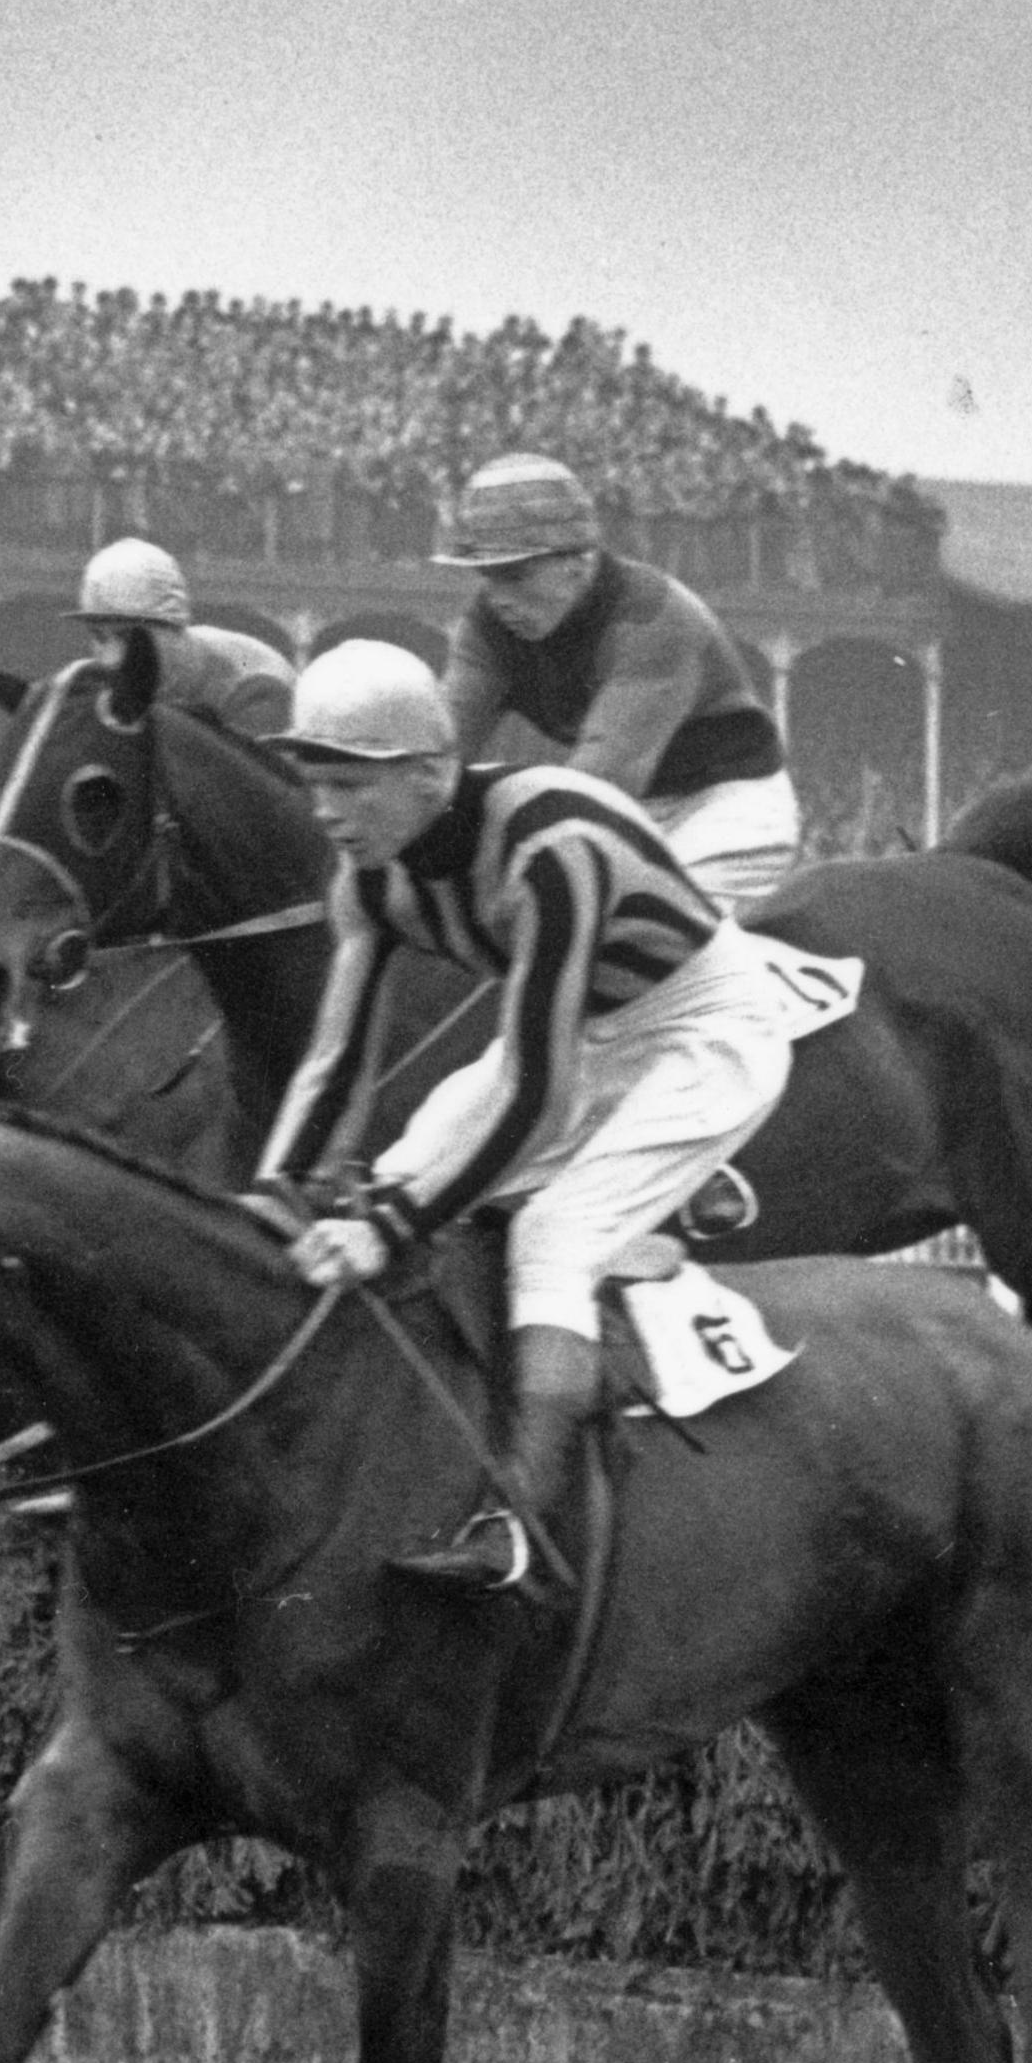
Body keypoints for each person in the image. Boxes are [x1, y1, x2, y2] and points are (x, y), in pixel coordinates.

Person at [257, 639, 801, 1594]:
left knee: (553, 1232)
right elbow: (336, 1064)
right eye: (315, 784)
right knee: (402, 1159)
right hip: (590, 1027)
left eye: (350, 786)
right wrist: (275, 1196)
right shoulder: (369, 879)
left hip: (705, 1027)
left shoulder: (552, 846)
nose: (325, 813)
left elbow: (540, 1092)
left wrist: (388, 1227)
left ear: (431, 771)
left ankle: (523, 1519)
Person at [434, 453, 803, 913]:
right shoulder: (487, 626)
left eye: (514, 574)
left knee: (649, 942)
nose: (498, 599)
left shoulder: (654, 616)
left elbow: (599, 783)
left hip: (724, 807)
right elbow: (439, 751)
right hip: (629, 811)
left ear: (579, 561)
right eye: (486, 577)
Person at [68, 537, 298, 740]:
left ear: (175, 628)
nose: (111, 659)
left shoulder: (258, 692)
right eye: (98, 635)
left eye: (129, 637)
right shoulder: (130, 686)